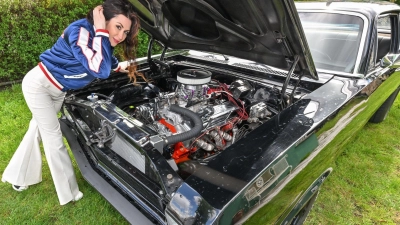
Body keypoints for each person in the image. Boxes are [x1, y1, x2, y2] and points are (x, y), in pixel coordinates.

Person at [1, 0, 141, 205]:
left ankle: (17, 176)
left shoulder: (101, 37)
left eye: (126, 32)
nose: (121, 36)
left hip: (58, 91)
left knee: (36, 130)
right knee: (53, 137)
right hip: (39, 85)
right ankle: (69, 193)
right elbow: (99, 69)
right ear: (103, 19)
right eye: (118, 27)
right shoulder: (80, 30)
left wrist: (118, 65)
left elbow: (105, 59)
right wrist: (101, 30)